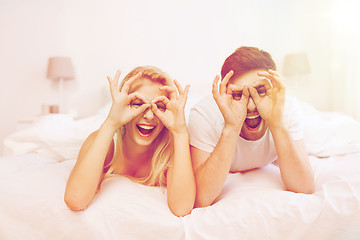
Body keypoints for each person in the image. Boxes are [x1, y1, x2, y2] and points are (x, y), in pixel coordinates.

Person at [188, 46, 314, 208]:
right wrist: (231, 126)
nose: (251, 106)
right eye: (239, 95)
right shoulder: (204, 115)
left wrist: (276, 123)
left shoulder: (287, 108)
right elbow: (202, 198)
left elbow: (304, 187)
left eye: (260, 91)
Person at [64, 66, 196, 217]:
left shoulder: (171, 151)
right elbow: (75, 200)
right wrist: (112, 122)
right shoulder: (105, 143)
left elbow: (182, 209)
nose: (149, 115)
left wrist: (180, 132)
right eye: (138, 104)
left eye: (159, 107)